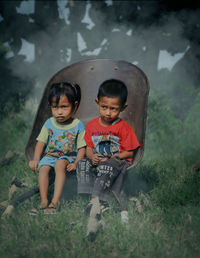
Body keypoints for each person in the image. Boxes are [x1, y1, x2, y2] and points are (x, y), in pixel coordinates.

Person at [76, 79, 140, 223]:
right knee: (82, 163)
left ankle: (97, 201)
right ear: (97, 102)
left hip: (115, 162)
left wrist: (112, 157)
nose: (108, 112)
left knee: (107, 166)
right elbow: (88, 148)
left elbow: (130, 153)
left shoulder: (123, 128)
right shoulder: (92, 125)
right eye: (104, 107)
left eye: (113, 109)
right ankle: (88, 196)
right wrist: (92, 156)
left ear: (123, 107)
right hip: (97, 160)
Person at [29, 82, 86, 214]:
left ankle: (55, 201)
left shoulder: (78, 125)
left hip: (68, 157)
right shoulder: (49, 123)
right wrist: (36, 159)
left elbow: (82, 147)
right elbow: (41, 142)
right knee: (43, 168)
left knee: (60, 165)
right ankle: (44, 200)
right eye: (55, 107)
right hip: (51, 155)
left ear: (75, 105)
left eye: (64, 107)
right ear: (50, 106)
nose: (59, 112)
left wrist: (77, 162)